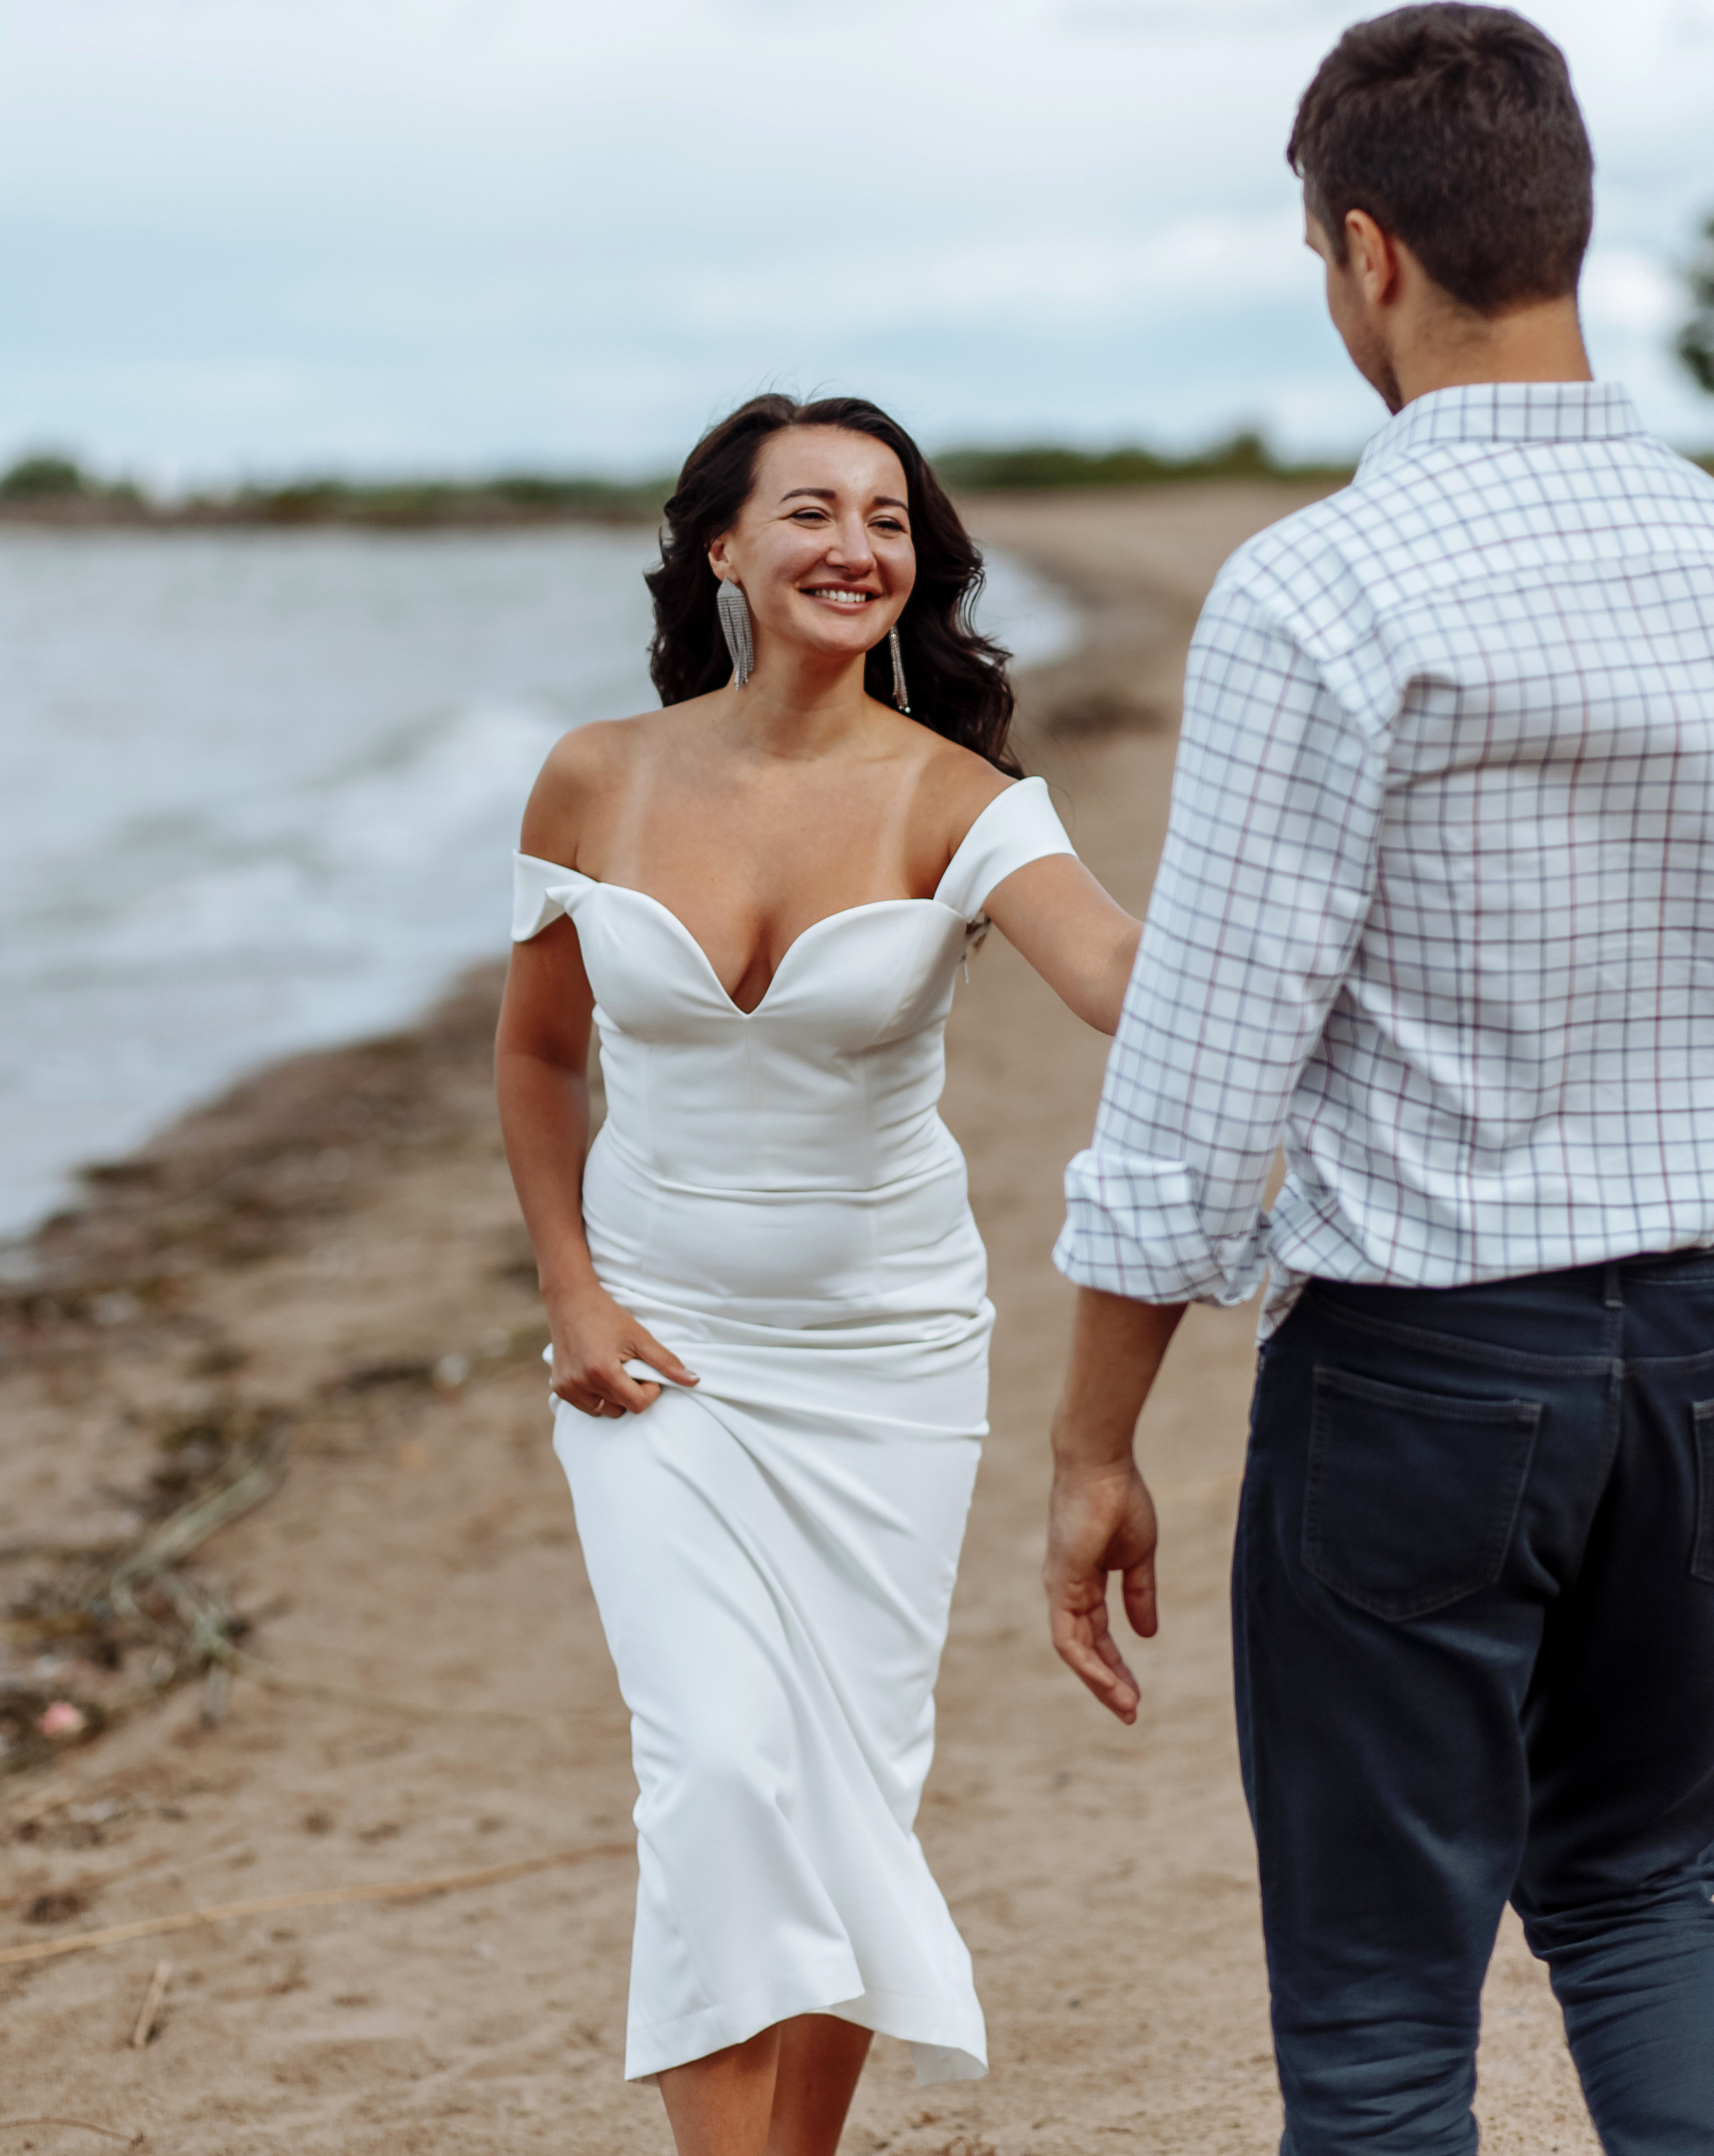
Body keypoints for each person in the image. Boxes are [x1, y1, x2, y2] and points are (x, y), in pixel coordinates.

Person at [1042, 3, 1714, 2154]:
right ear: (1574, 229)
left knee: (1372, 2016)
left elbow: (1199, 1084)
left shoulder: (1324, 592)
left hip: (1431, 1382)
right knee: (1643, 1897)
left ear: (1365, 255)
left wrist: (1091, 1442)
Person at [496, 393, 1140, 2156]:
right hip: (657, 1345)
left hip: (887, 1364)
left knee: (843, 1791)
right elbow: (540, 1060)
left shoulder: (964, 801)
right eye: (808, 511)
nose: (853, 545)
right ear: (722, 545)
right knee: (714, 1770)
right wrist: (566, 1292)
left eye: (885, 515)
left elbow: (1118, 979)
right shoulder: (593, 776)